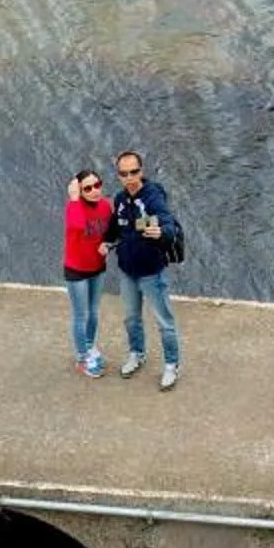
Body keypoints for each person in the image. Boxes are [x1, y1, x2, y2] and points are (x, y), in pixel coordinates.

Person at [106, 148, 182, 389]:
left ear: (142, 171)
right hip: (128, 271)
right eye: (124, 173)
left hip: (151, 273)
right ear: (118, 175)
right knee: (131, 318)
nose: (130, 178)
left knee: (164, 321)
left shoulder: (153, 197)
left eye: (134, 172)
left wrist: (162, 232)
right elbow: (114, 230)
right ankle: (136, 353)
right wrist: (105, 242)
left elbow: (166, 220)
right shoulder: (119, 200)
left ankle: (171, 365)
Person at [61, 168, 112, 376]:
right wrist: (74, 198)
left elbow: (112, 230)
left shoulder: (106, 206)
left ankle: (90, 347)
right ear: (80, 191)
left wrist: (110, 243)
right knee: (81, 315)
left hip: (97, 267)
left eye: (97, 185)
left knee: (93, 311)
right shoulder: (74, 207)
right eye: (88, 188)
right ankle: (82, 358)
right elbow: (78, 225)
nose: (94, 191)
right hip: (77, 270)